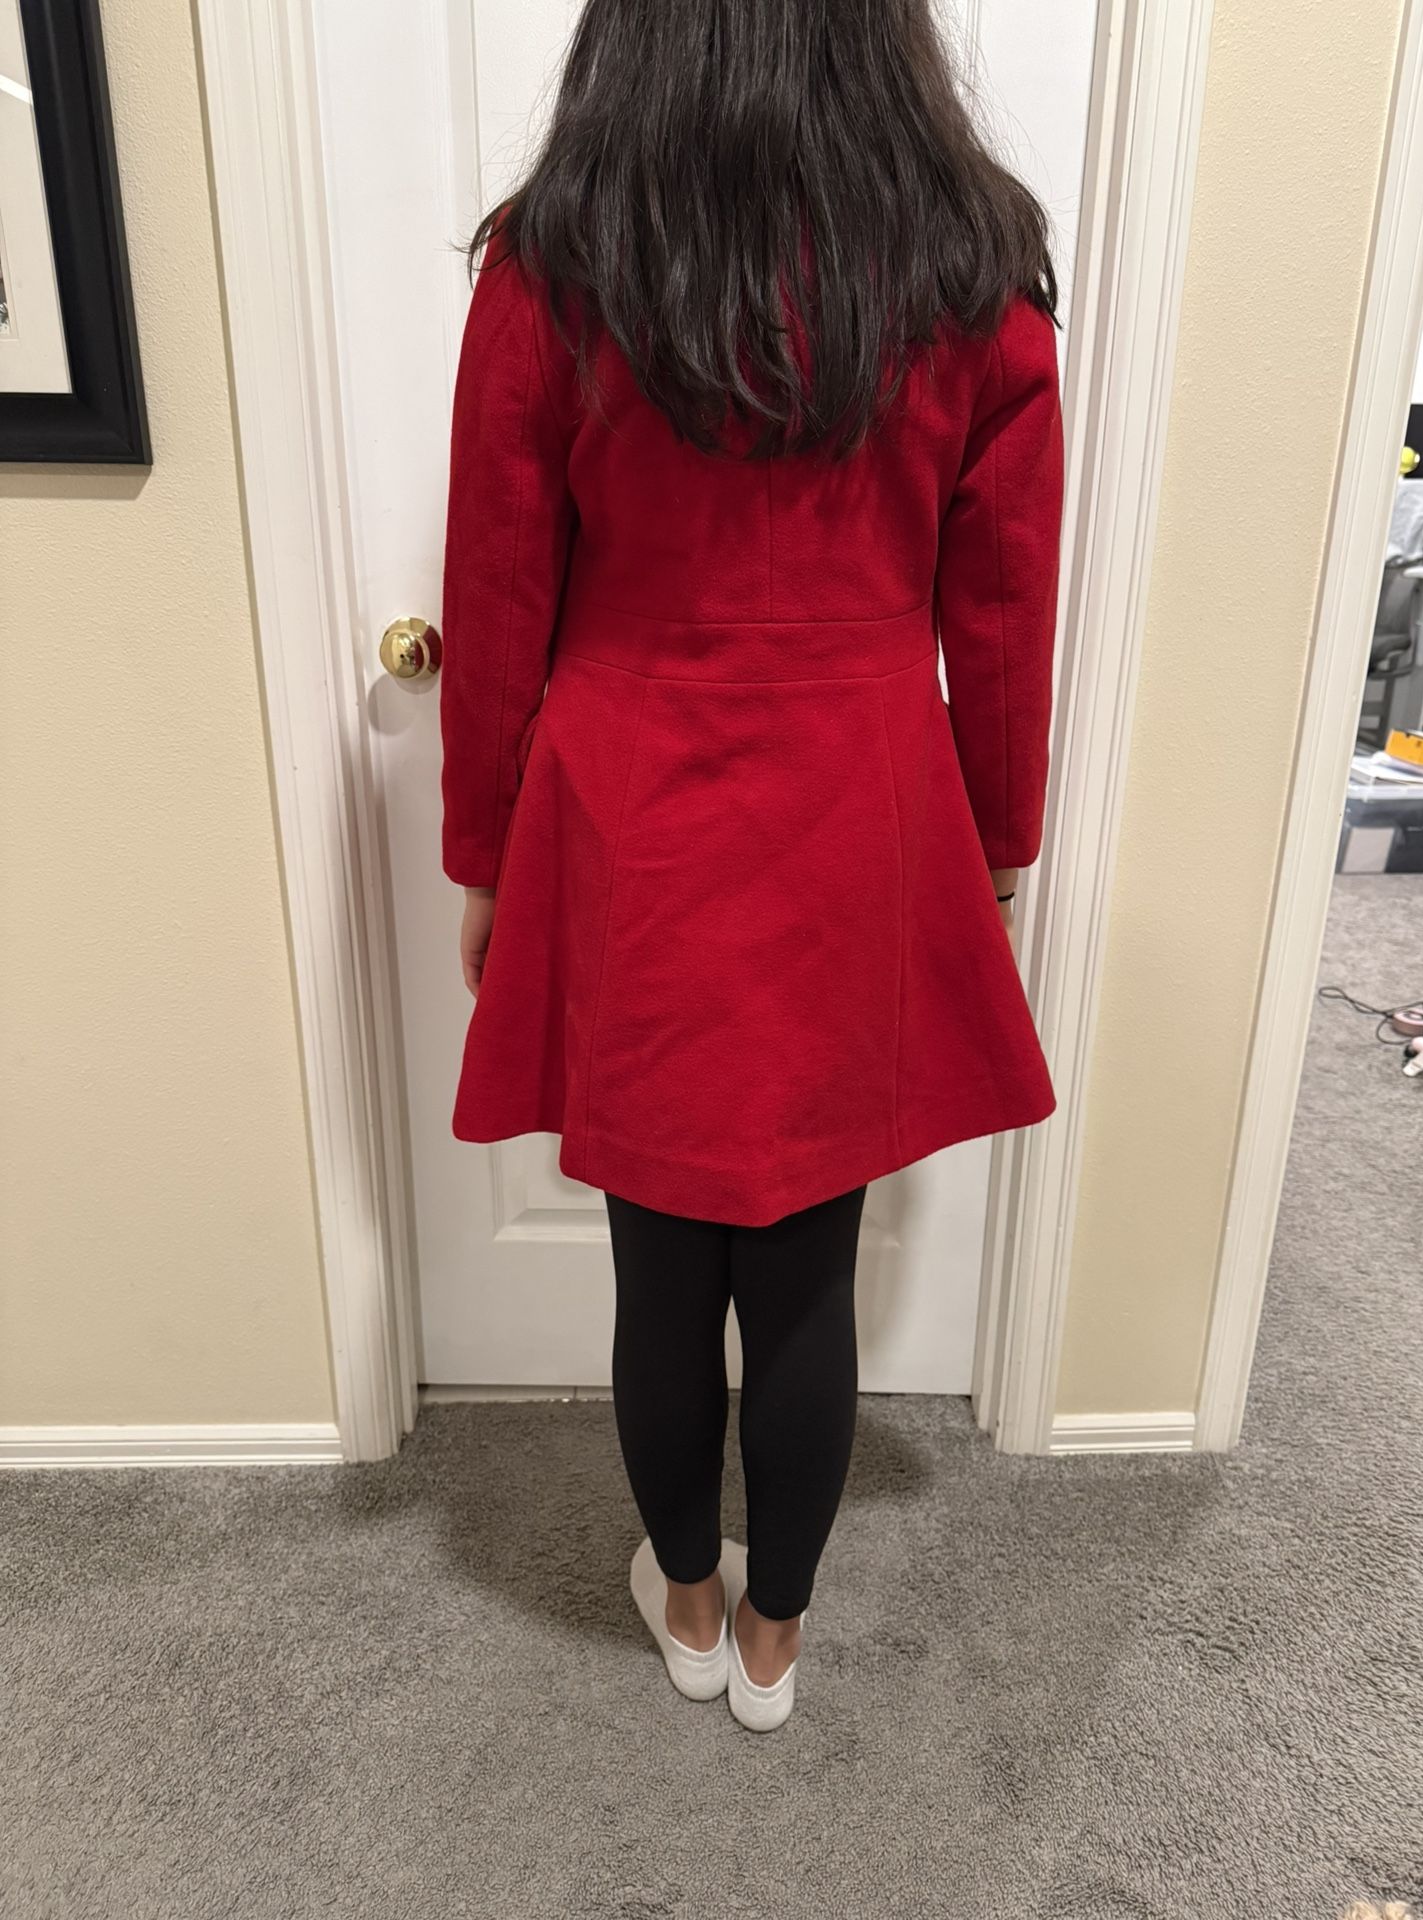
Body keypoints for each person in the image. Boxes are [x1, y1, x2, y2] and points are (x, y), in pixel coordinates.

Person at [439, 0, 1064, 1733]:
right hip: (859, 811)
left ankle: (693, 1602)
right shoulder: (968, 264)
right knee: (806, 1271)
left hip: (630, 813)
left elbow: (499, 583)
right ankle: (775, 1640)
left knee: (661, 1272)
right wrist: (996, 849)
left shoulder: (561, 262)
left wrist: (485, 850)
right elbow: (1002, 607)